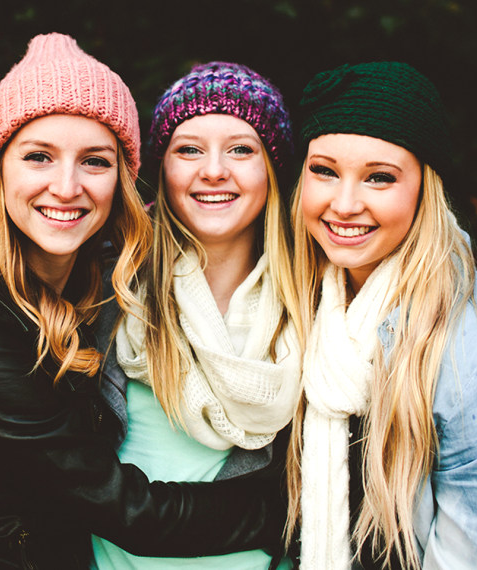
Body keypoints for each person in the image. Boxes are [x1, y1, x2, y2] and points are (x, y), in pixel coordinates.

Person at [0, 33, 288, 570]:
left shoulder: (100, 281)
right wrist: (292, 511)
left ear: (122, 177)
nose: (67, 186)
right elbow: (125, 510)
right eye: (39, 157)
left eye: (94, 162)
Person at [287, 61, 477, 569]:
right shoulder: (301, 298)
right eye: (324, 170)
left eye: (380, 178)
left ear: (423, 190)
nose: (344, 204)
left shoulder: (474, 352)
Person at [91, 61, 302, 569]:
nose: (213, 170)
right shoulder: (108, 288)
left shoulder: (311, 303)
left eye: (241, 149)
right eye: (189, 149)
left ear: (272, 169)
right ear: (161, 168)